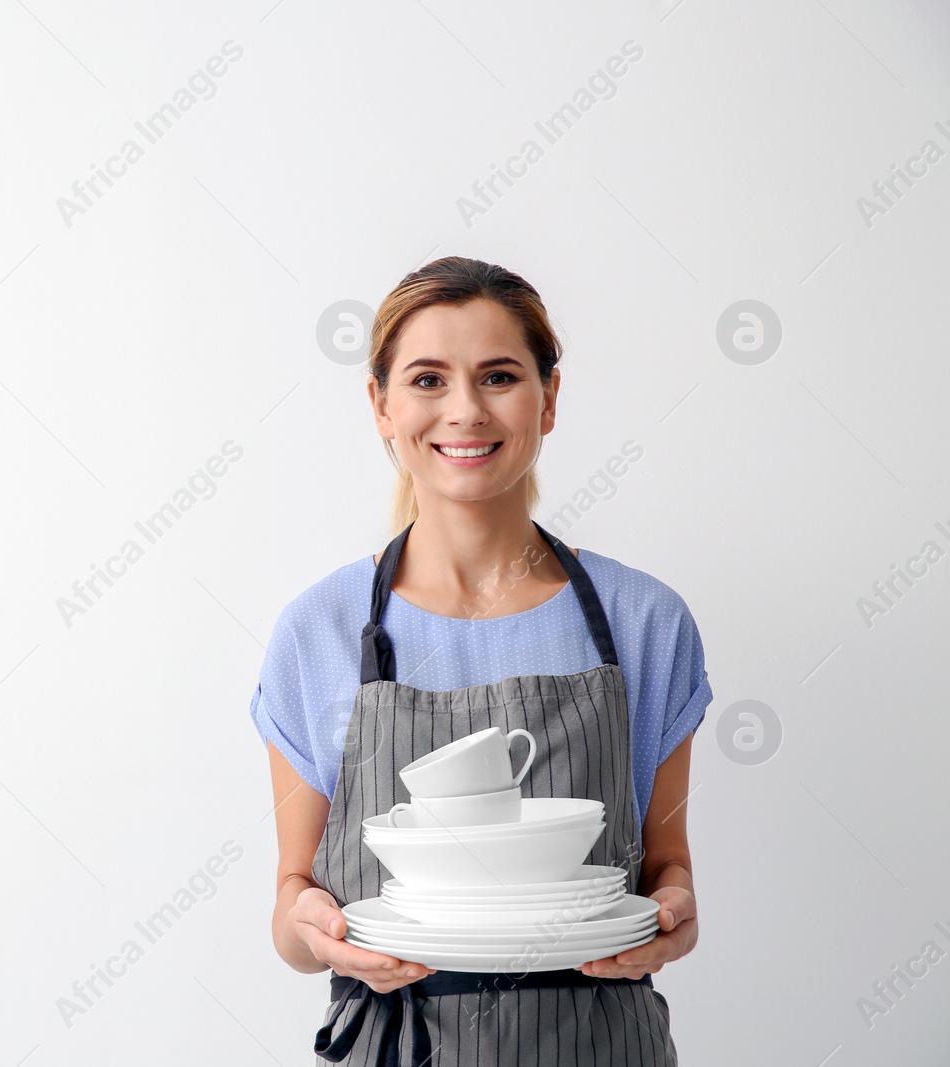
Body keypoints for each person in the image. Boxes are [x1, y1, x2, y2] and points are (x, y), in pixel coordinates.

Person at [250, 257, 711, 1065]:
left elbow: (669, 872)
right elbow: (294, 910)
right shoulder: (317, 631)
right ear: (381, 406)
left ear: (549, 398)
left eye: (498, 375)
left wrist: (672, 920)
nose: (464, 409)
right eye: (428, 379)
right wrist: (316, 933)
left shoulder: (647, 622)